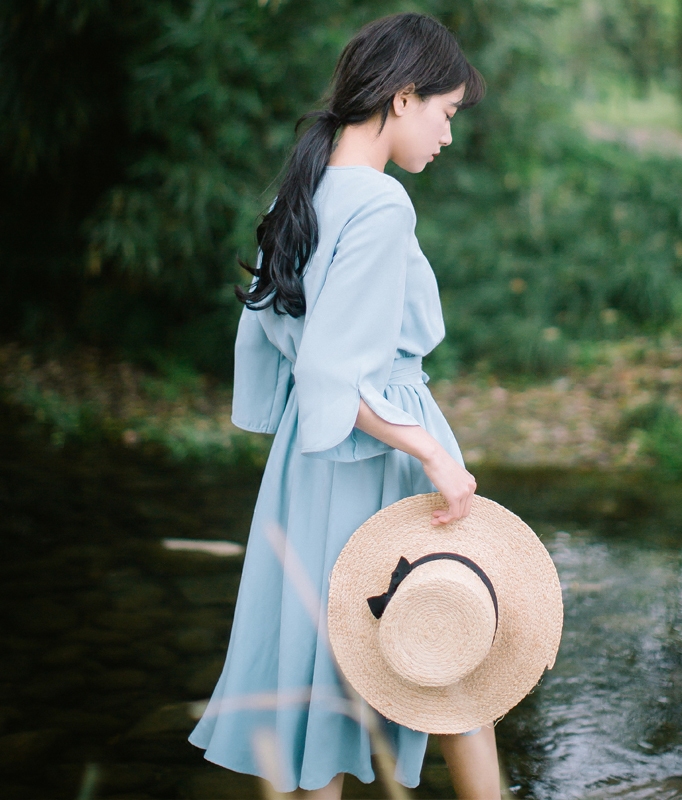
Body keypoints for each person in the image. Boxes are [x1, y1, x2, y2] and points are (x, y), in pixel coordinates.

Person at [188, 12, 499, 799]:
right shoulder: (383, 205)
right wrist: (429, 451)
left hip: (310, 461)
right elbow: (337, 372)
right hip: (377, 460)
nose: (449, 136)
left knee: (322, 676)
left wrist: (284, 422)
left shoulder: (309, 185)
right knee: (456, 655)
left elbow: (267, 335)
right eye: (447, 112)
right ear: (402, 98)